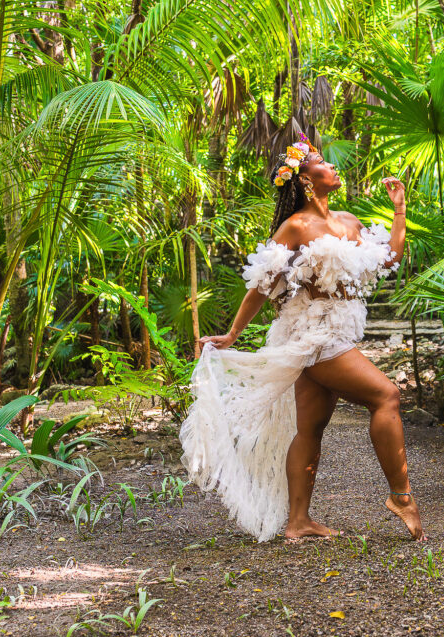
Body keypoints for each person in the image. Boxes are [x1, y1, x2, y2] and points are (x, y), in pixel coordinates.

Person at [179, 132, 426, 544]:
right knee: (386, 396)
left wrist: (399, 211)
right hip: (315, 335)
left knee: (310, 426)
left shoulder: (349, 221)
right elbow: (262, 284)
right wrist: (234, 334)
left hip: (339, 328)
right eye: (323, 163)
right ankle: (401, 496)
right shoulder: (295, 227)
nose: (333, 166)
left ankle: (297, 521)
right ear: (307, 180)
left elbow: (390, 258)